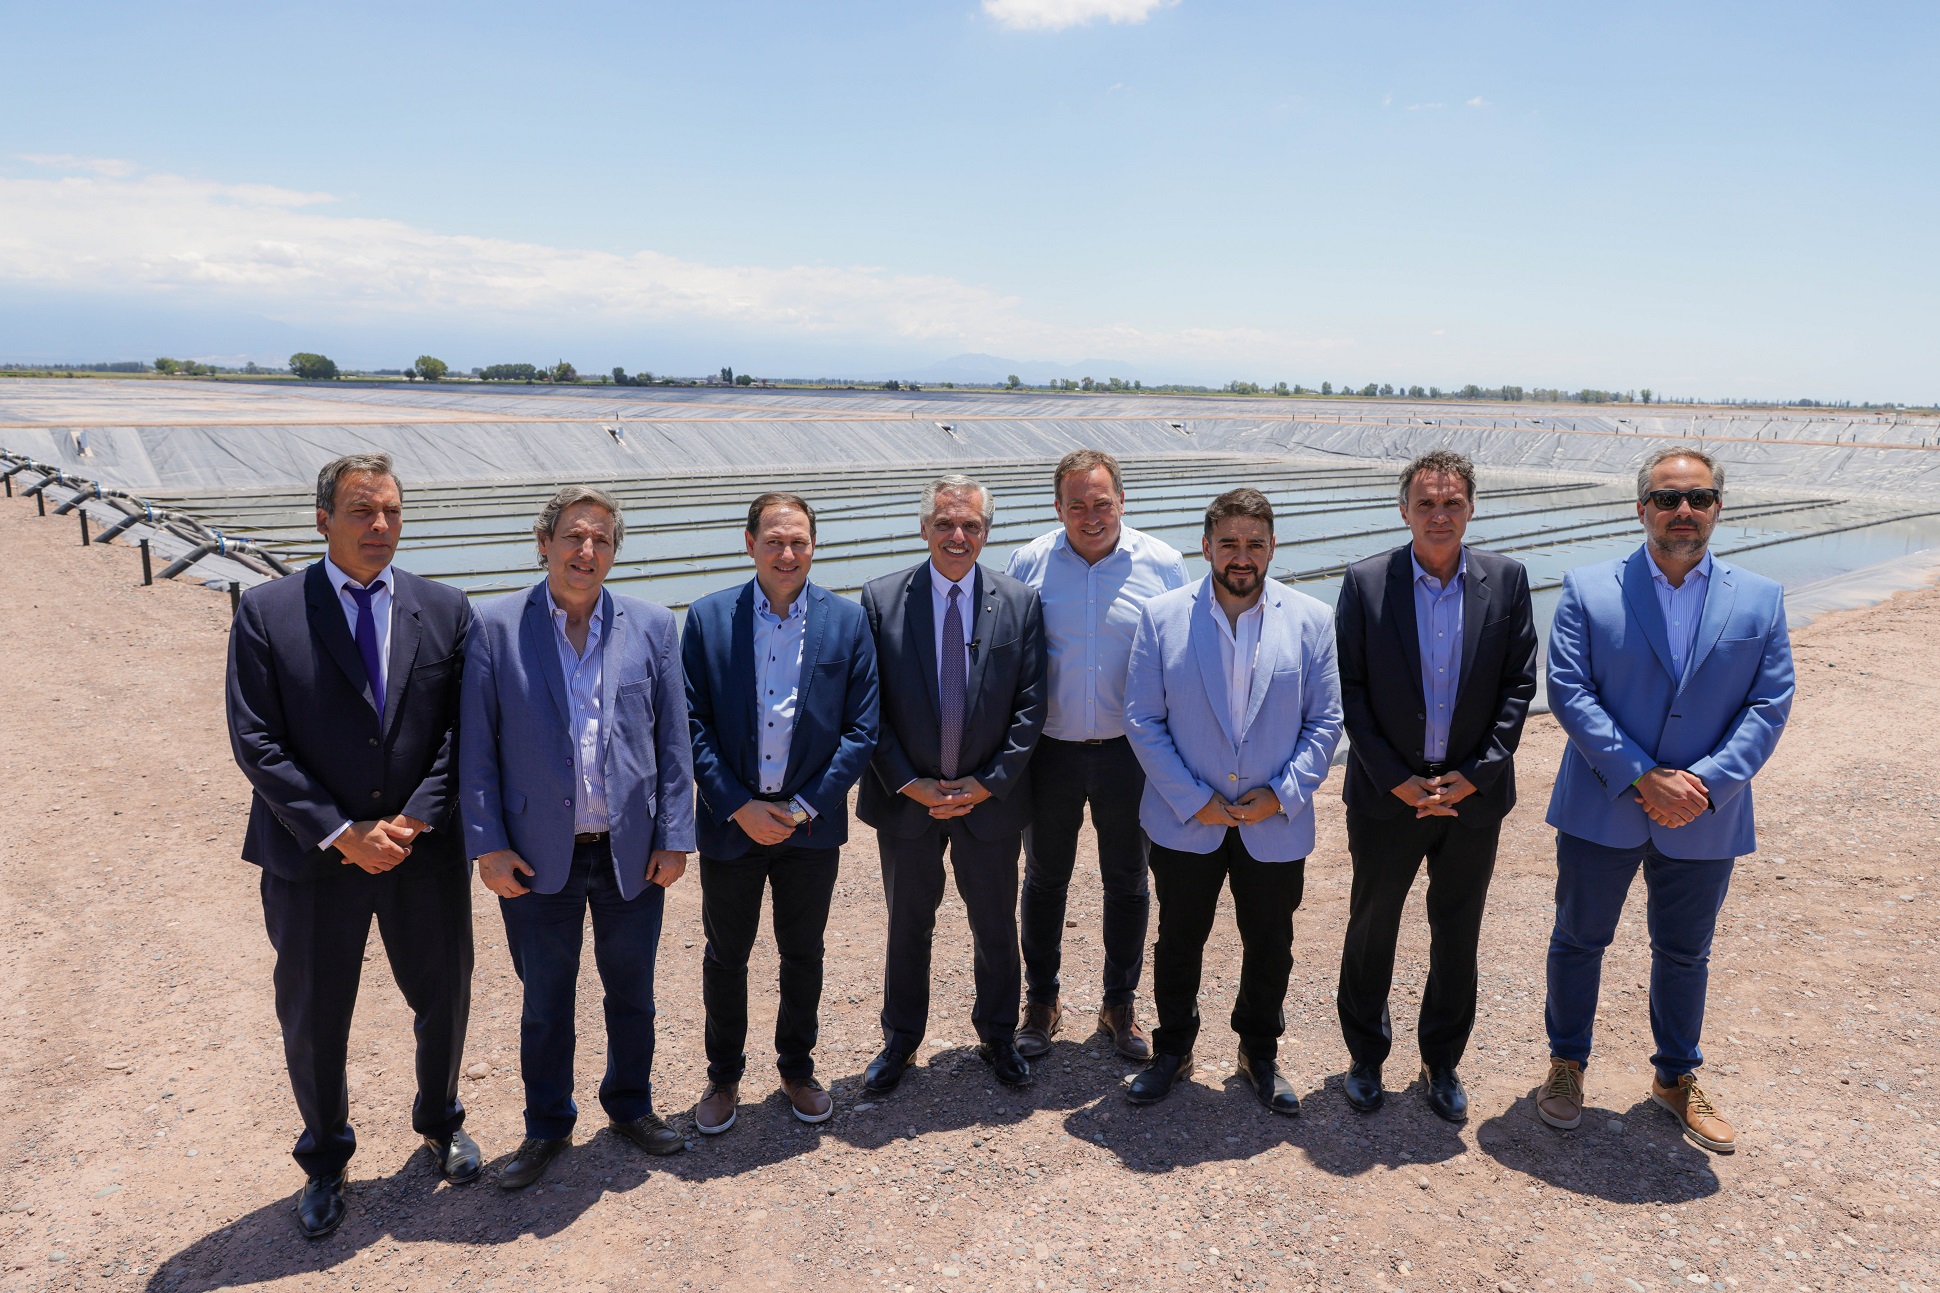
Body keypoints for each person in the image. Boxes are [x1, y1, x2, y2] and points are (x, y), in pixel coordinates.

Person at [225, 452, 478, 1239]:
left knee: (444, 994)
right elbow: (257, 740)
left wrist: (412, 819)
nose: (380, 527)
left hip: (419, 849)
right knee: (314, 1012)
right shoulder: (269, 611)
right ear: (323, 518)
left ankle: (440, 1119)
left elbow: (460, 731)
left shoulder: (443, 608)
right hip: (311, 856)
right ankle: (327, 1156)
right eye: (363, 511)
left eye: (392, 512)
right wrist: (341, 830)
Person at [1536, 447, 1794, 1154]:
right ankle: (1566, 1064)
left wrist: (1705, 784)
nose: (1684, 511)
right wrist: (1643, 774)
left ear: (1719, 506)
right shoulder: (1590, 587)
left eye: (1700, 497)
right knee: (1579, 938)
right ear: (1641, 506)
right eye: (1667, 498)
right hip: (1605, 800)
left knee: (1685, 952)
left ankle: (1676, 1076)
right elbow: (1570, 690)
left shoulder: (1761, 597)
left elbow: (1769, 704)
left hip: (1706, 812)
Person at [459, 486, 696, 1189]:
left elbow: (673, 739)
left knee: (633, 991)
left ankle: (629, 1106)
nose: (585, 551)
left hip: (629, 852)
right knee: (546, 1000)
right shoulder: (497, 627)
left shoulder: (652, 625)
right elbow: (478, 747)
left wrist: (675, 834)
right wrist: (487, 843)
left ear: (614, 552)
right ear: (544, 542)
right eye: (572, 536)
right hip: (534, 854)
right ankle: (546, 1124)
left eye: (600, 539)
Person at [1332, 450, 1538, 1122]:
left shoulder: (1505, 581)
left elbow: (1518, 687)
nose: (1440, 515)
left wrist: (1474, 777)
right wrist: (1396, 780)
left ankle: (1441, 1061)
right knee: (1372, 928)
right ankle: (1365, 1057)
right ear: (1404, 510)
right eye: (1426, 503)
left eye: (1452, 502)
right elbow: (1353, 694)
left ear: (1471, 508)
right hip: (1388, 796)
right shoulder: (1366, 583)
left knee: (1458, 933)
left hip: (1471, 799)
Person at [1122, 488, 1343, 1114]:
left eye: (1253, 544)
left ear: (1272, 546)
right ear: (1206, 547)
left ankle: (1258, 1051)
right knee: (1179, 937)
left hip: (1274, 820)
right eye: (1228, 544)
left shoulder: (1309, 618)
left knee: (1270, 940)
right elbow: (1142, 717)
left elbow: (1325, 721)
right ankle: (1173, 1050)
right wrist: (1195, 800)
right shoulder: (1162, 616)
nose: (1241, 557)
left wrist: (1285, 793)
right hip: (1186, 819)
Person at [681, 492, 880, 1134]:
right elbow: (692, 723)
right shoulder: (710, 619)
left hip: (808, 827)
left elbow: (861, 729)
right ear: (749, 544)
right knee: (726, 954)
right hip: (730, 824)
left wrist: (799, 807)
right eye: (774, 540)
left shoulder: (846, 624)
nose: (786, 553)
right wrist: (738, 806)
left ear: (813, 546)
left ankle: (796, 1067)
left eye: (798, 541)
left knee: (803, 952)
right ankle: (723, 1077)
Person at [856, 474, 1047, 1094]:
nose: (957, 536)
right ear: (924, 529)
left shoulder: (1019, 601)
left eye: (970, 525)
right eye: (945, 524)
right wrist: (907, 781)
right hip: (908, 798)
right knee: (908, 921)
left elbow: (1031, 704)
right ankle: (901, 1039)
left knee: (994, 922)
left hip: (988, 800)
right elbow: (867, 707)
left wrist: (988, 783)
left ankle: (998, 1034)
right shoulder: (882, 600)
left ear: (986, 533)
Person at [1005, 450, 1189, 1062]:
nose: (1090, 516)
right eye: (1077, 504)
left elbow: (1185, 662)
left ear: (1122, 502)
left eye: (1101, 502)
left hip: (1131, 753)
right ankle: (1042, 1000)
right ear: (1057, 507)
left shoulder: (1162, 564)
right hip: (1048, 751)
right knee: (1044, 878)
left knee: (1129, 881)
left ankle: (1119, 1002)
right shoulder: (1029, 562)